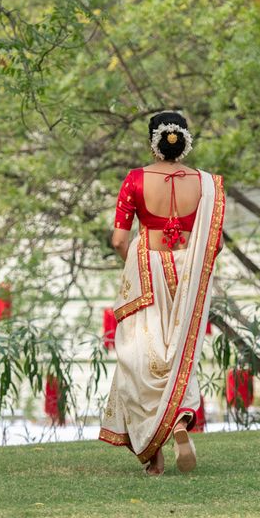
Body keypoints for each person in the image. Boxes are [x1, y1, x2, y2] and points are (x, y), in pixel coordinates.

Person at [99, 110, 224, 475]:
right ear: (185, 140)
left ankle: (153, 454)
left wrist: (135, 262)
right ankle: (181, 424)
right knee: (180, 352)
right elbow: (213, 245)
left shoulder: (135, 180)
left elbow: (119, 239)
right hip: (189, 277)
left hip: (147, 274)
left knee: (140, 358)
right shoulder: (207, 185)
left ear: (152, 141)